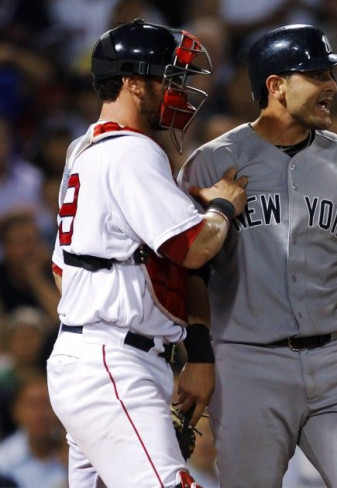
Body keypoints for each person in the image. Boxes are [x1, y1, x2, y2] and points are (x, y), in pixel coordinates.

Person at [177, 24, 337, 488]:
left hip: (335, 358)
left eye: (330, 74)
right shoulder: (214, 162)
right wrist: (196, 354)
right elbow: (186, 270)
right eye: (316, 74)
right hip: (247, 363)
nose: (331, 85)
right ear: (275, 86)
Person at [45, 19, 247, 488]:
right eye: (167, 78)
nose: (178, 90)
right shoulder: (131, 151)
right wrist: (222, 206)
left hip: (94, 355)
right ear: (135, 83)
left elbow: (61, 272)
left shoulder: (85, 148)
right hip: (112, 363)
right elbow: (194, 248)